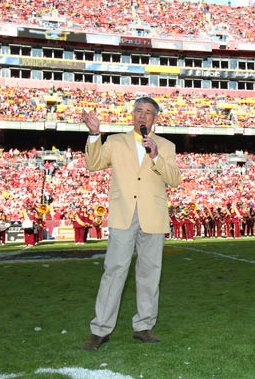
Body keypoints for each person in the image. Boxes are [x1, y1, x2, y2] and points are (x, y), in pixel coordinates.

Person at [81, 96, 182, 350]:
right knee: (114, 270)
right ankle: (100, 329)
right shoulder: (116, 141)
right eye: (138, 110)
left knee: (150, 273)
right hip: (123, 214)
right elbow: (93, 164)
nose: (142, 115)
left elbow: (174, 179)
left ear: (154, 118)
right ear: (132, 115)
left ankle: (144, 325)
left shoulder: (166, 146)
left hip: (153, 216)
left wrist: (156, 157)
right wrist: (94, 135)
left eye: (148, 112)